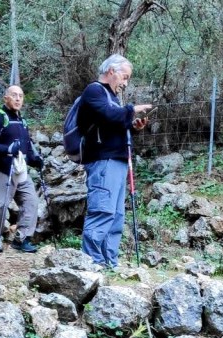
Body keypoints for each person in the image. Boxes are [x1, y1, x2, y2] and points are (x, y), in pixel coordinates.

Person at [77, 54, 152, 268]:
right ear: (112, 71)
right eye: (124, 77)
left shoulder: (110, 97)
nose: (125, 83)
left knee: (116, 216)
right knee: (102, 211)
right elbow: (110, 115)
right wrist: (131, 109)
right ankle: (92, 263)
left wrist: (132, 126)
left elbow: (112, 123)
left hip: (117, 161)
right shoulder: (94, 91)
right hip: (103, 161)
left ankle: (110, 262)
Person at [0, 85, 44, 253]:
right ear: (5, 98)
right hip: (2, 168)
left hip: (20, 170)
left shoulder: (22, 121)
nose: (18, 99)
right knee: (0, 204)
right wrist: (7, 150)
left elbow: (26, 147)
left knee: (31, 201)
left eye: (21, 96)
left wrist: (35, 160)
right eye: (14, 95)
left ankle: (21, 239)